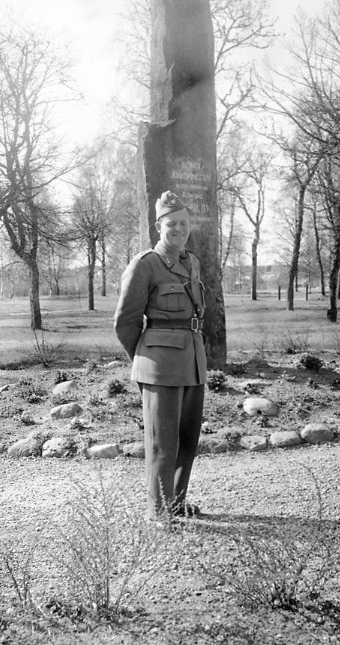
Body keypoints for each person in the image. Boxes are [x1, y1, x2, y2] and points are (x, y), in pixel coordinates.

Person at [114, 190, 206, 524]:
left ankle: (175, 503)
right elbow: (125, 321)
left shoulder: (191, 262)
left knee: (187, 439)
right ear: (158, 227)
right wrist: (144, 359)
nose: (179, 229)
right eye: (171, 224)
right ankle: (158, 513)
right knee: (162, 443)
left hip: (192, 361)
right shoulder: (146, 265)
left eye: (183, 223)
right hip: (160, 366)